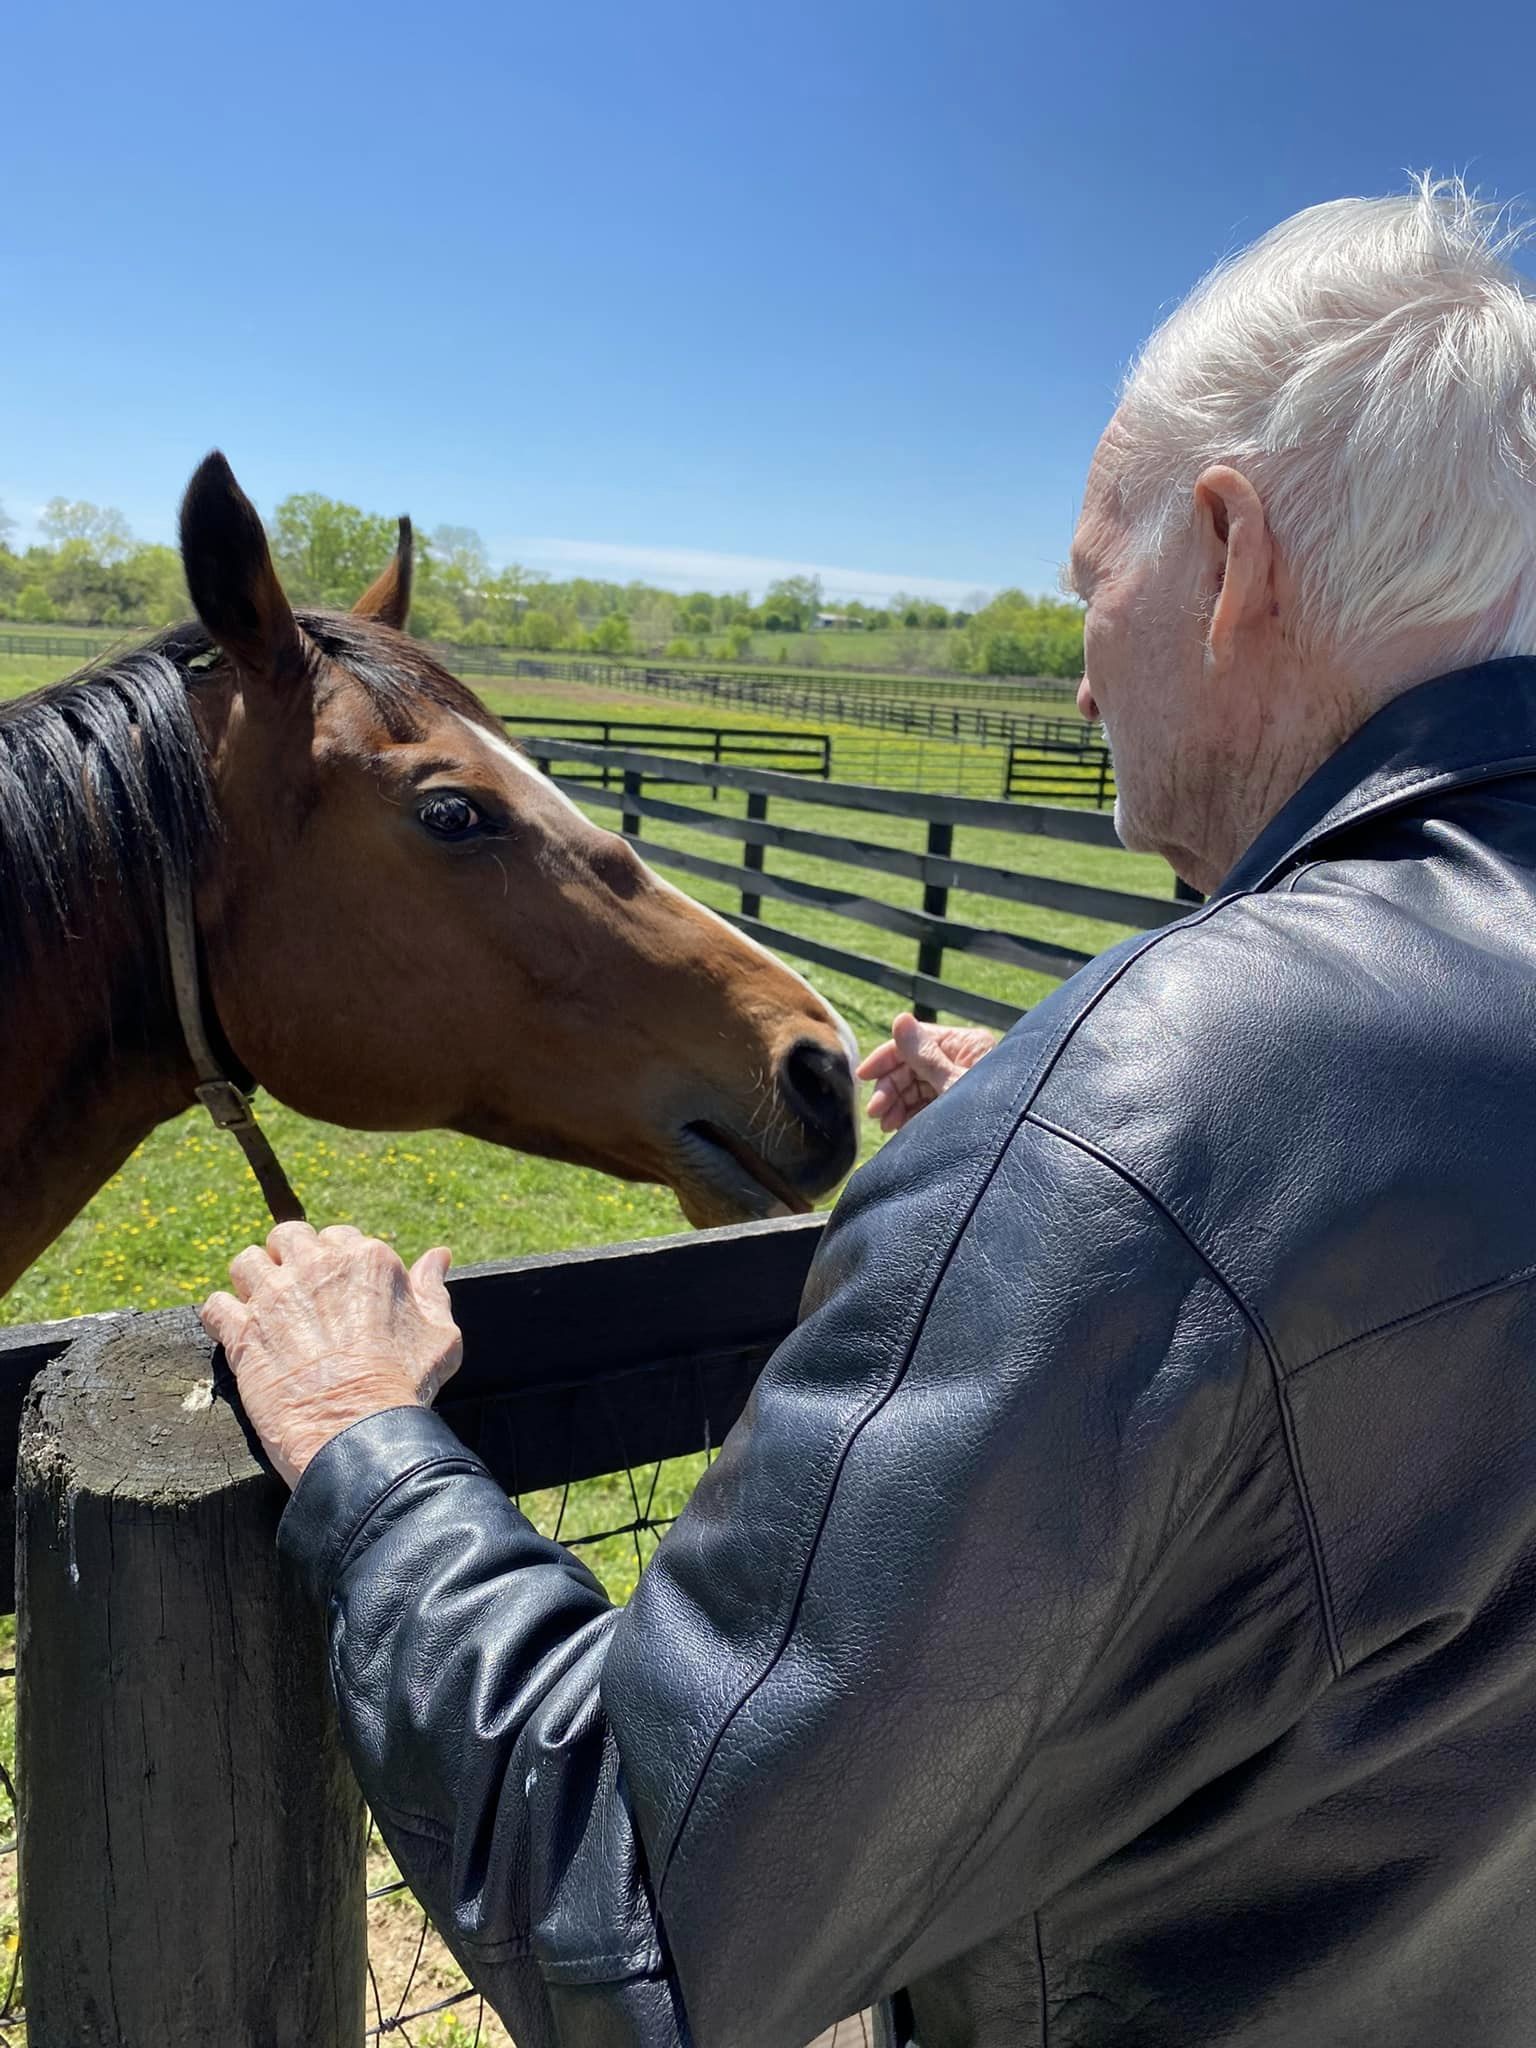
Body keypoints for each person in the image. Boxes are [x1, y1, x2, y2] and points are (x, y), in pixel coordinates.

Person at [203, 177, 1536, 2048]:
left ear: (1230, 557)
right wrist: (1079, 1138)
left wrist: (363, 1450)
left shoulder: (1160, 1118)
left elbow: (645, 1916)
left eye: (1094, 583)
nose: (1078, 673)